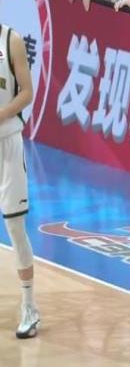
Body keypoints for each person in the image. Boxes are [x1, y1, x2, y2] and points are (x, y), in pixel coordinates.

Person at [0, 24, 40, 338]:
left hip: (8, 143)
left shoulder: (10, 40)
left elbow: (27, 92)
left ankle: (29, 306)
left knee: (15, 226)